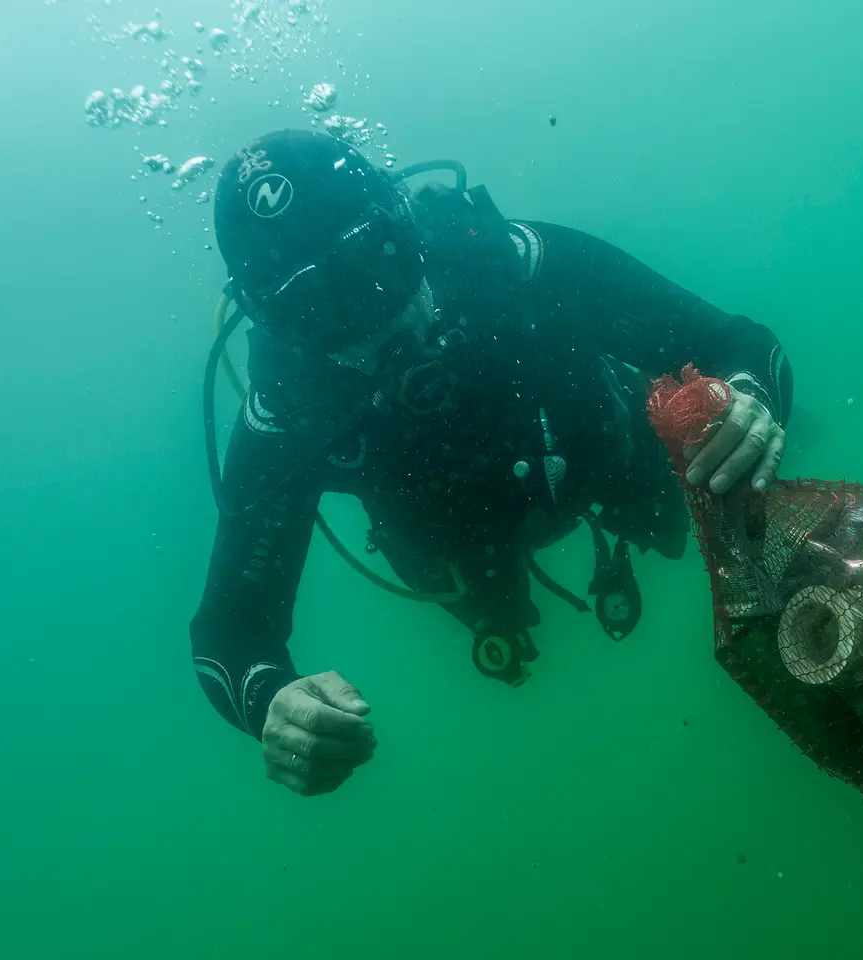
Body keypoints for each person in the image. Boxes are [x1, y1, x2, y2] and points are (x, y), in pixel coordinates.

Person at [190, 129, 794, 797]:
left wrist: (750, 402)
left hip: (611, 457)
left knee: (723, 454)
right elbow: (231, 630)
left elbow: (735, 344)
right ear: (271, 322)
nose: (364, 320)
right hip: (465, 559)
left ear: (405, 224)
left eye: (371, 262)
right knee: (490, 615)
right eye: (309, 307)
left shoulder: (506, 263)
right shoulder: (291, 406)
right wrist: (272, 702)